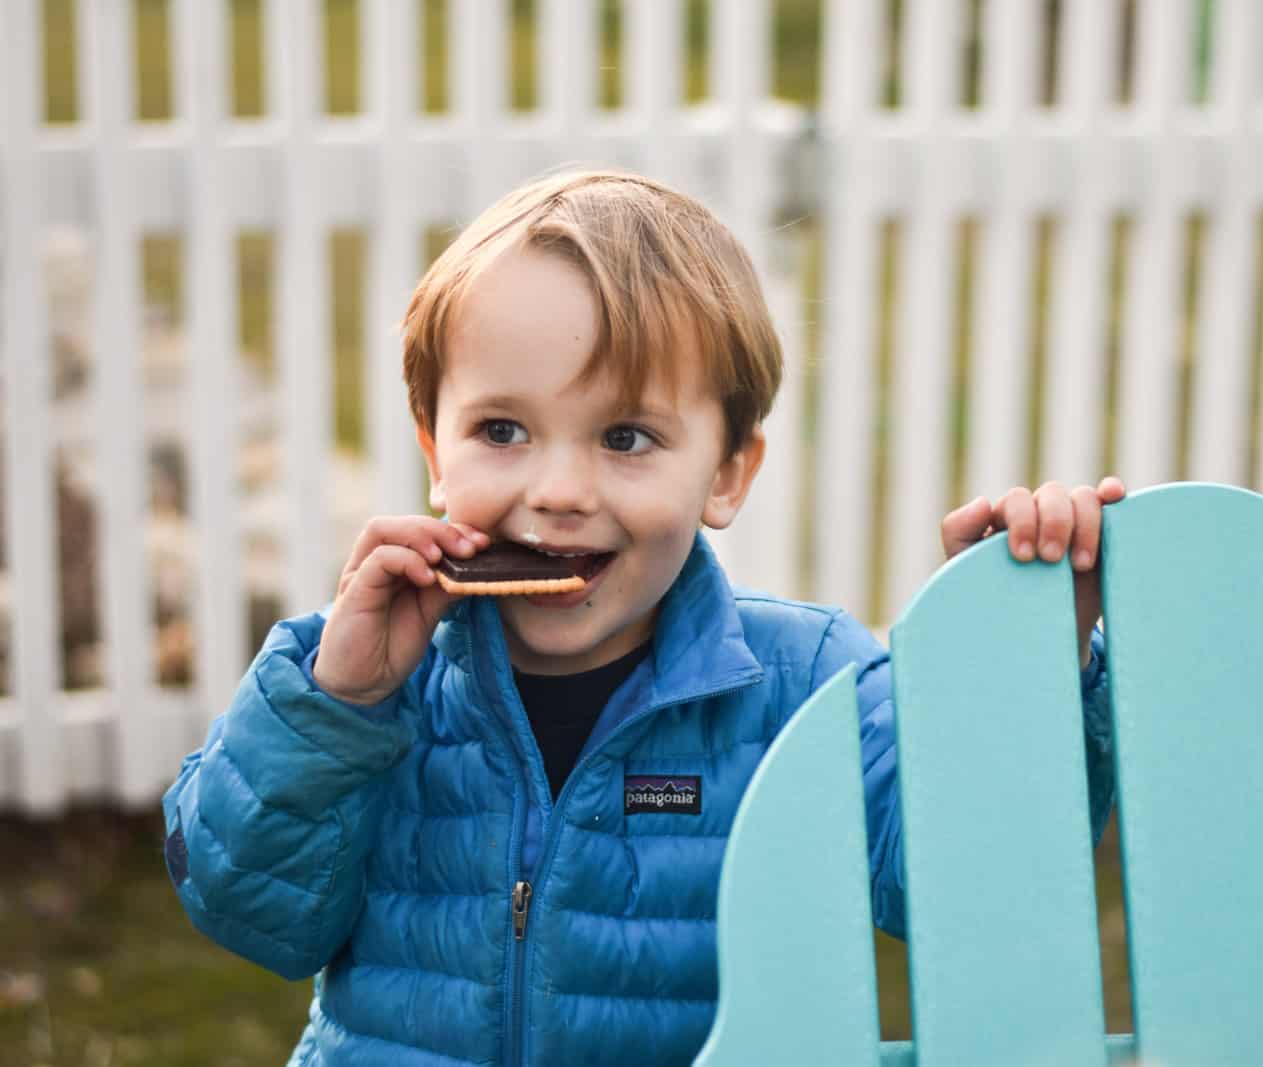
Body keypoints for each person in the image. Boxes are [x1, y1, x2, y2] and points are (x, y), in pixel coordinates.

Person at [161, 170, 1126, 1066]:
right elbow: (252, 914)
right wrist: (341, 706)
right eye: (502, 430)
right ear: (434, 448)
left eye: (626, 436)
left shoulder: (808, 682)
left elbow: (963, 890)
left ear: (726, 472)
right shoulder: (347, 677)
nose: (560, 489)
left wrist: (1012, 674)